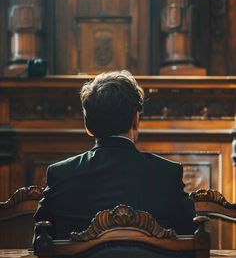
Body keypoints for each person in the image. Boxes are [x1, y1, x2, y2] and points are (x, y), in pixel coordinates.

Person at [33, 70, 195, 241]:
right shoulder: (167, 174)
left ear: (88, 127)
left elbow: (41, 245)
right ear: (135, 121)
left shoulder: (60, 175)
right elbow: (193, 240)